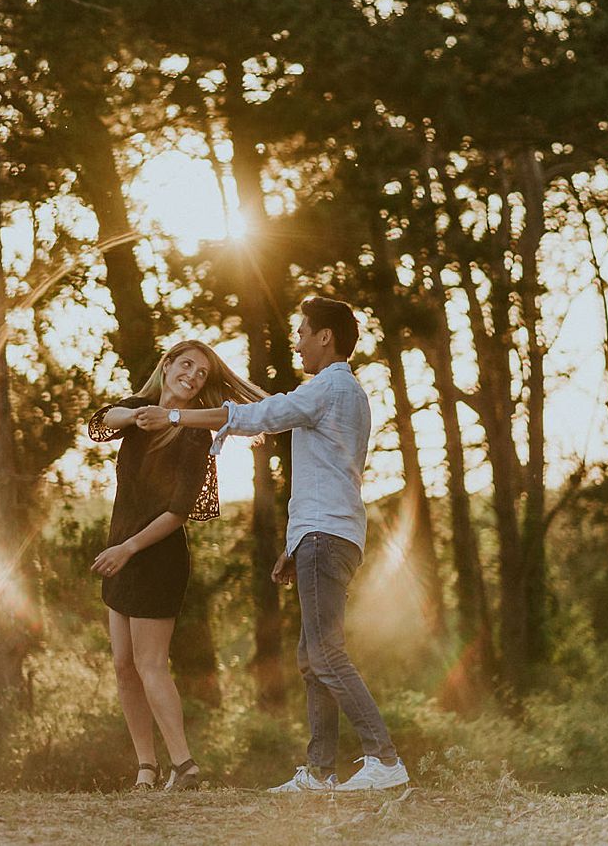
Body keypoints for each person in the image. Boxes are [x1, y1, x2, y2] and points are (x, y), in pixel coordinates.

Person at [132, 296, 408, 793]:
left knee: (326, 655)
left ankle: (383, 759)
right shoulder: (344, 393)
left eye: (302, 332)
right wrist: (296, 544)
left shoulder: (330, 386)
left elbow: (262, 416)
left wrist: (175, 419)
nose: (297, 342)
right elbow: (330, 474)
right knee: (312, 657)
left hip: (327, 535)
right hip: (324, 534)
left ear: (325, 336)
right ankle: (321, 772)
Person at [86, 340, 264, 791]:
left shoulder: (193, 434)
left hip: (154, 557)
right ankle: (146, 767)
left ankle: (184, 767)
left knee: (150, 664)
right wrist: (139, 415)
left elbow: (178, 511)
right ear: (166, 366)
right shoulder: (137, 411)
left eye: (202, 373)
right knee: (123, 665)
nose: (193, 376)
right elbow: (100, 422)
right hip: (119, 553)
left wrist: (127, 549)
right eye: (186, 365)